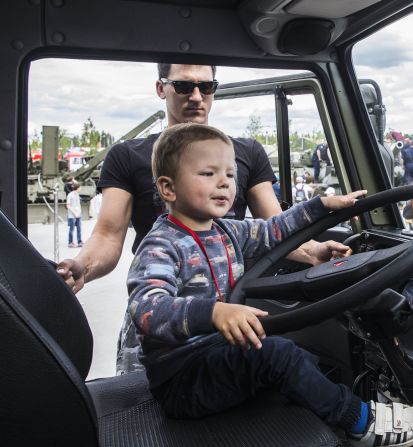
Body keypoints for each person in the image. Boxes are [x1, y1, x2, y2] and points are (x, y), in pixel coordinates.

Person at [128, 123, 413, 445]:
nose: (224, 182)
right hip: (183, 378)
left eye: (230, 175)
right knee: (278, 354)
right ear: (168, 188)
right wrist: (213, 312)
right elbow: (147, 308)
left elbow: (274, 230)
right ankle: (360, 424)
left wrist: (320, 206)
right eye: (207, 173)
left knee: (298, 356)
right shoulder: (161, 246)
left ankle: (328, 405)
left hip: (218, 354)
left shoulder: (225, 231)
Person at [56, 63, 351, 375]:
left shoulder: (246, 152)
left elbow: (273, 227)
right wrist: (81, 268)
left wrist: (312, 250)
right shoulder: (127, 155)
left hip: (232, 308)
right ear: (161, 88)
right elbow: (107, 236)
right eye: (184, 86)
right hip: (160, 310)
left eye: (206, 87)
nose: (196, 96)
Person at [65, 182, 83, 248]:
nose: (80, 188)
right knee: (71, 229)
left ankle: (79, 242)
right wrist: (74, 213)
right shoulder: (70, 195)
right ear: (77, 188)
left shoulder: (77, 194)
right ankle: (70, 242)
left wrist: (79, 213)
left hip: (78, 215)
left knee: (79, 229)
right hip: (72, 216)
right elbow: (68, 205)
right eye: (80, 187)